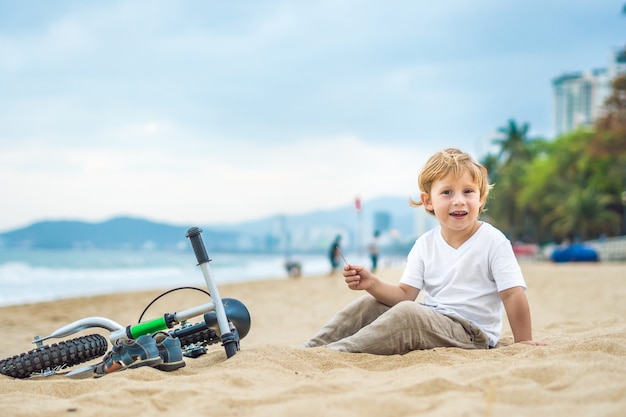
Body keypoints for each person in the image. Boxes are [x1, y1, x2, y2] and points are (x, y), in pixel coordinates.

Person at [304, 148, 545, 354]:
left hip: (473, 333)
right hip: (433, 319)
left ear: (481, 198)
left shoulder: (493, 241)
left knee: (408, 314)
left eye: (468, 192)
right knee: (369, 305)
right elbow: (404, 295)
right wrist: (371, 283)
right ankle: (313, 348)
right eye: (447, 192)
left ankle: (339, 351)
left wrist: (523, 341)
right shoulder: (424, 244)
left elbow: (512, 294)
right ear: (428, 201)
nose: (459, 200)